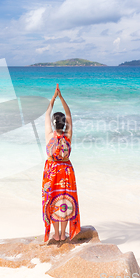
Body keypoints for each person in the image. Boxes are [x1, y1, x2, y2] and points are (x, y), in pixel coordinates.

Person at [42, 84, 81, 242]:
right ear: (64, 124)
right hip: (66, 171)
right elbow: (69, 114)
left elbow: (47, 113)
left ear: (53, 123)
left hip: (51, 171)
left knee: (52, 198)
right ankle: (63, 234)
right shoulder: (68, 136)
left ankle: (56, 234)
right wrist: (62, 98)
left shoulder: (49, 135)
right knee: (64, 199)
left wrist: (53, 97)